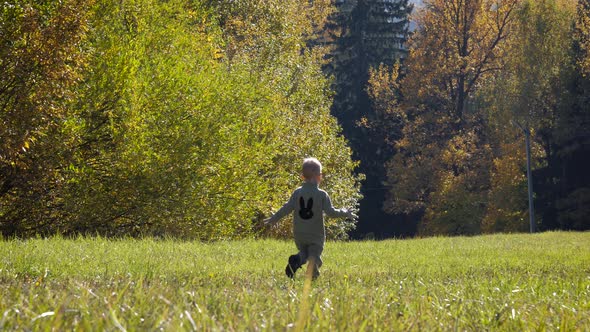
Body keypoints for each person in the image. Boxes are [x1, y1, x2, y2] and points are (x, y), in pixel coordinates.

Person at [264, 157, 357, 279]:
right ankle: (312, 277)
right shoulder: (322, 194)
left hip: (299, 234)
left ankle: (297, 259)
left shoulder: (297, 193)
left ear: (303, 177)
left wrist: (274, 218)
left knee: (304, 253)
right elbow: (331, 212)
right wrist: (345, 212)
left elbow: (287, 207)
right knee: (314, 256)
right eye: (321, 174)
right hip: (315, 235)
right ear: (318, 176)